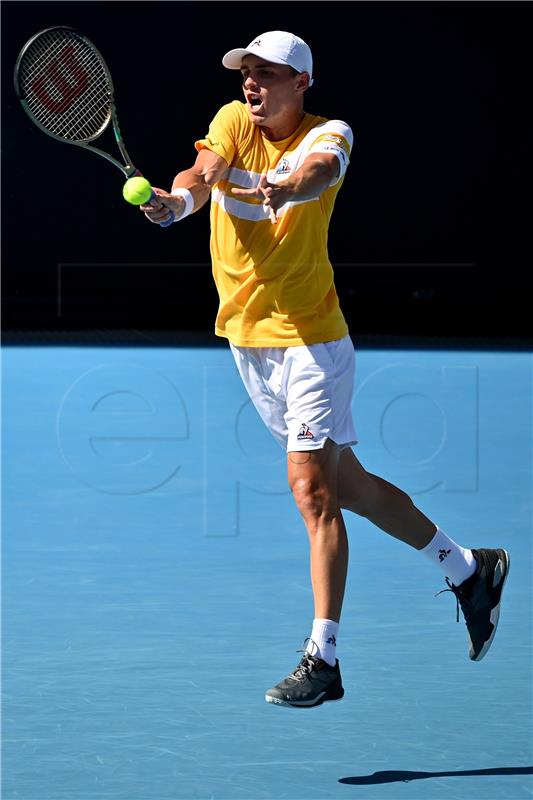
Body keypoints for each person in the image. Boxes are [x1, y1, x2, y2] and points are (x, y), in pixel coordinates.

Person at [140, 30, 510, 708]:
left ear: (300, 83)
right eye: (245, 73)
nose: (251, 83)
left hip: (311, 341)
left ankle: (323, 658)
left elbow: (319, 174)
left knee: (310, 491)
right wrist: (178, 202)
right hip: (249, 344)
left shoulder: (328, 132)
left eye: (267, 74)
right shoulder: (230, 120)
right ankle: (468, 568)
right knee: (349, 489)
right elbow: (201, 173)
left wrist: (284, 186)